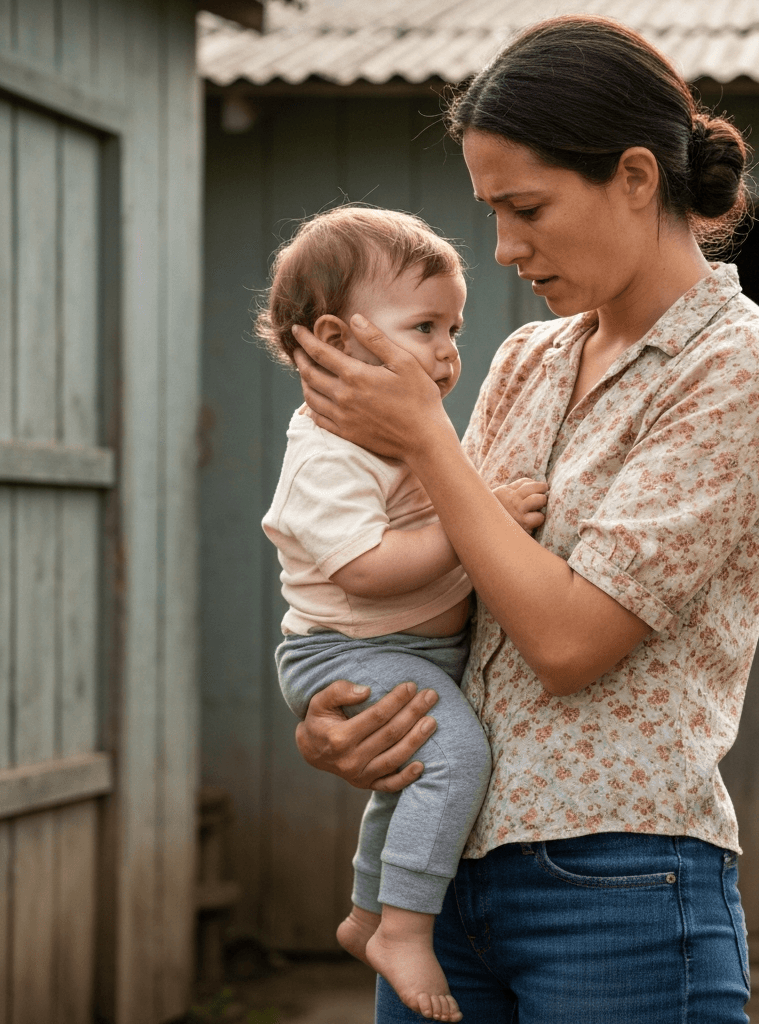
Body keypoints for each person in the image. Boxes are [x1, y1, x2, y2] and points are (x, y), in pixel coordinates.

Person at [288, 15, 759, 1024]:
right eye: (490, 211)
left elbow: (568, 640)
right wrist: (344, 715)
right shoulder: (524, 362)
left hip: (617, 878)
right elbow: (460, 599)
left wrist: (424, 441)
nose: (502, 248)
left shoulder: (743, 370)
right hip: (440, 878)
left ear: (632, 177)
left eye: (526, 208)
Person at [257, 206, 548, 1022]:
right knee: (451, 757)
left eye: (453, 326)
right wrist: (476, 517)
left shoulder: (395, 434)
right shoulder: (328, 453)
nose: (449, 351)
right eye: (423, 326)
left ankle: (367, 913)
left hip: (404, 647)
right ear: (337, 340)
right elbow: (370, 569)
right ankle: (407, 933)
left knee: (413, 774)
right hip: (347, 650)